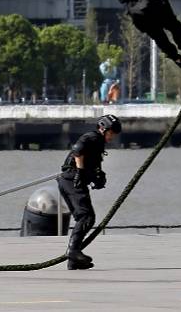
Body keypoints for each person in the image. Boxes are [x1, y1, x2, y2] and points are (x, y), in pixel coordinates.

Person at [56, 113, 121, 270]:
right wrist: (80, 172)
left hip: (69, 180)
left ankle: (73, 261)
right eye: (112, 132)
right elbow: (78, 150)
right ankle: (73, 252)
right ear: (103, 129)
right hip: (72, 179)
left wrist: (97, 177)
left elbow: (90, 162)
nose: (112, 136)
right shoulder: (93, 137)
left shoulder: (98, 142)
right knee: (87, 217)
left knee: (82, 217)